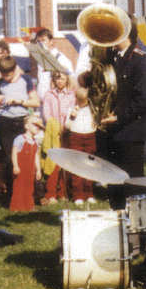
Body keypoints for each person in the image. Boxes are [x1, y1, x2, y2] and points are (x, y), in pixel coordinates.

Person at [86, 23, 146, 209]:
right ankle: (117, 221)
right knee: (113, 184)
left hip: (130, 132)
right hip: (110, 132)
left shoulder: (140, 60)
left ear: (126, 34)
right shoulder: (110, 59)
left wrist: (119, 117)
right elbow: (102, 87)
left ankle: (133, 228)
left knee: (131, 184)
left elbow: (143, 99)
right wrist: (88, 79)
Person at [0, 56, 40, 189]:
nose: (5, 78)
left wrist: (18, 101)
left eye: (7, 75)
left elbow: (36, 102)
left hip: (22, 122)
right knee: (9, 158)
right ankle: (12, 191)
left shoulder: (25, 80)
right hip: (6, 122)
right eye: (2, 74)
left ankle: (31, 189)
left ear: (14, 70)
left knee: (25, 155)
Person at [40, 71, 75, 204]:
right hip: (53, 132)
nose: (60, 81)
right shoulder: (49, 95)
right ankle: (51, 193)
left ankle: (63, 192)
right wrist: (54, 126)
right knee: (53, 163)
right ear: (53, 80)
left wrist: (65, 126)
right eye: (57, 79)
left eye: (62, 79)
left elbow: (72, 111)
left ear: (67, 80)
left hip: (66, 131)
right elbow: (46, 113)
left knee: (64, 163)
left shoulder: (71, 95)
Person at [62, 87, 97, 204]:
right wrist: (72, 116)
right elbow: (67, 126)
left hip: (90, 136)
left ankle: (89, 193)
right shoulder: (72, 109)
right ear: (76, 99)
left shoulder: (92, 109)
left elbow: (97, 122)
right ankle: (78, 195)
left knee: (89, 166)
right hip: (76, 137)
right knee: (77, 166)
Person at [10, 115, 43, 212]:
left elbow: (36, 156)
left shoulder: (35, 142)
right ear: (27, 126)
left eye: (39, 126)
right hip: (21, 169)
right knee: (19, 187)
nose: (37, 127)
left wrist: (38, 170)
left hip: (30, 170)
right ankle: (16, 207)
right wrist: (15, 165)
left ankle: (28, 206)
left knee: (29, 188)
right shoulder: (20, 139)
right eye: (34, 125)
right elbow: (14, 152)